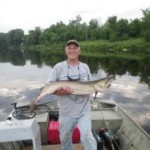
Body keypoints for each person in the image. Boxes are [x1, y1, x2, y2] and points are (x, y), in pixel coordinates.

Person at [47, 40, 97, 150]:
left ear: (79, 51)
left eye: (75, 48)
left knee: (87, 137)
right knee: (64, 138)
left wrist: (100, 87)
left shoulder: (85, 67)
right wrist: (59, 92)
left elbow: (91, 86)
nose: (72, 50)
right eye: (69, 48)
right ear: (66, 51)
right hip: (66, 112)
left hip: (84, 110)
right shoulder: (58, 67)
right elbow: (50, 87)